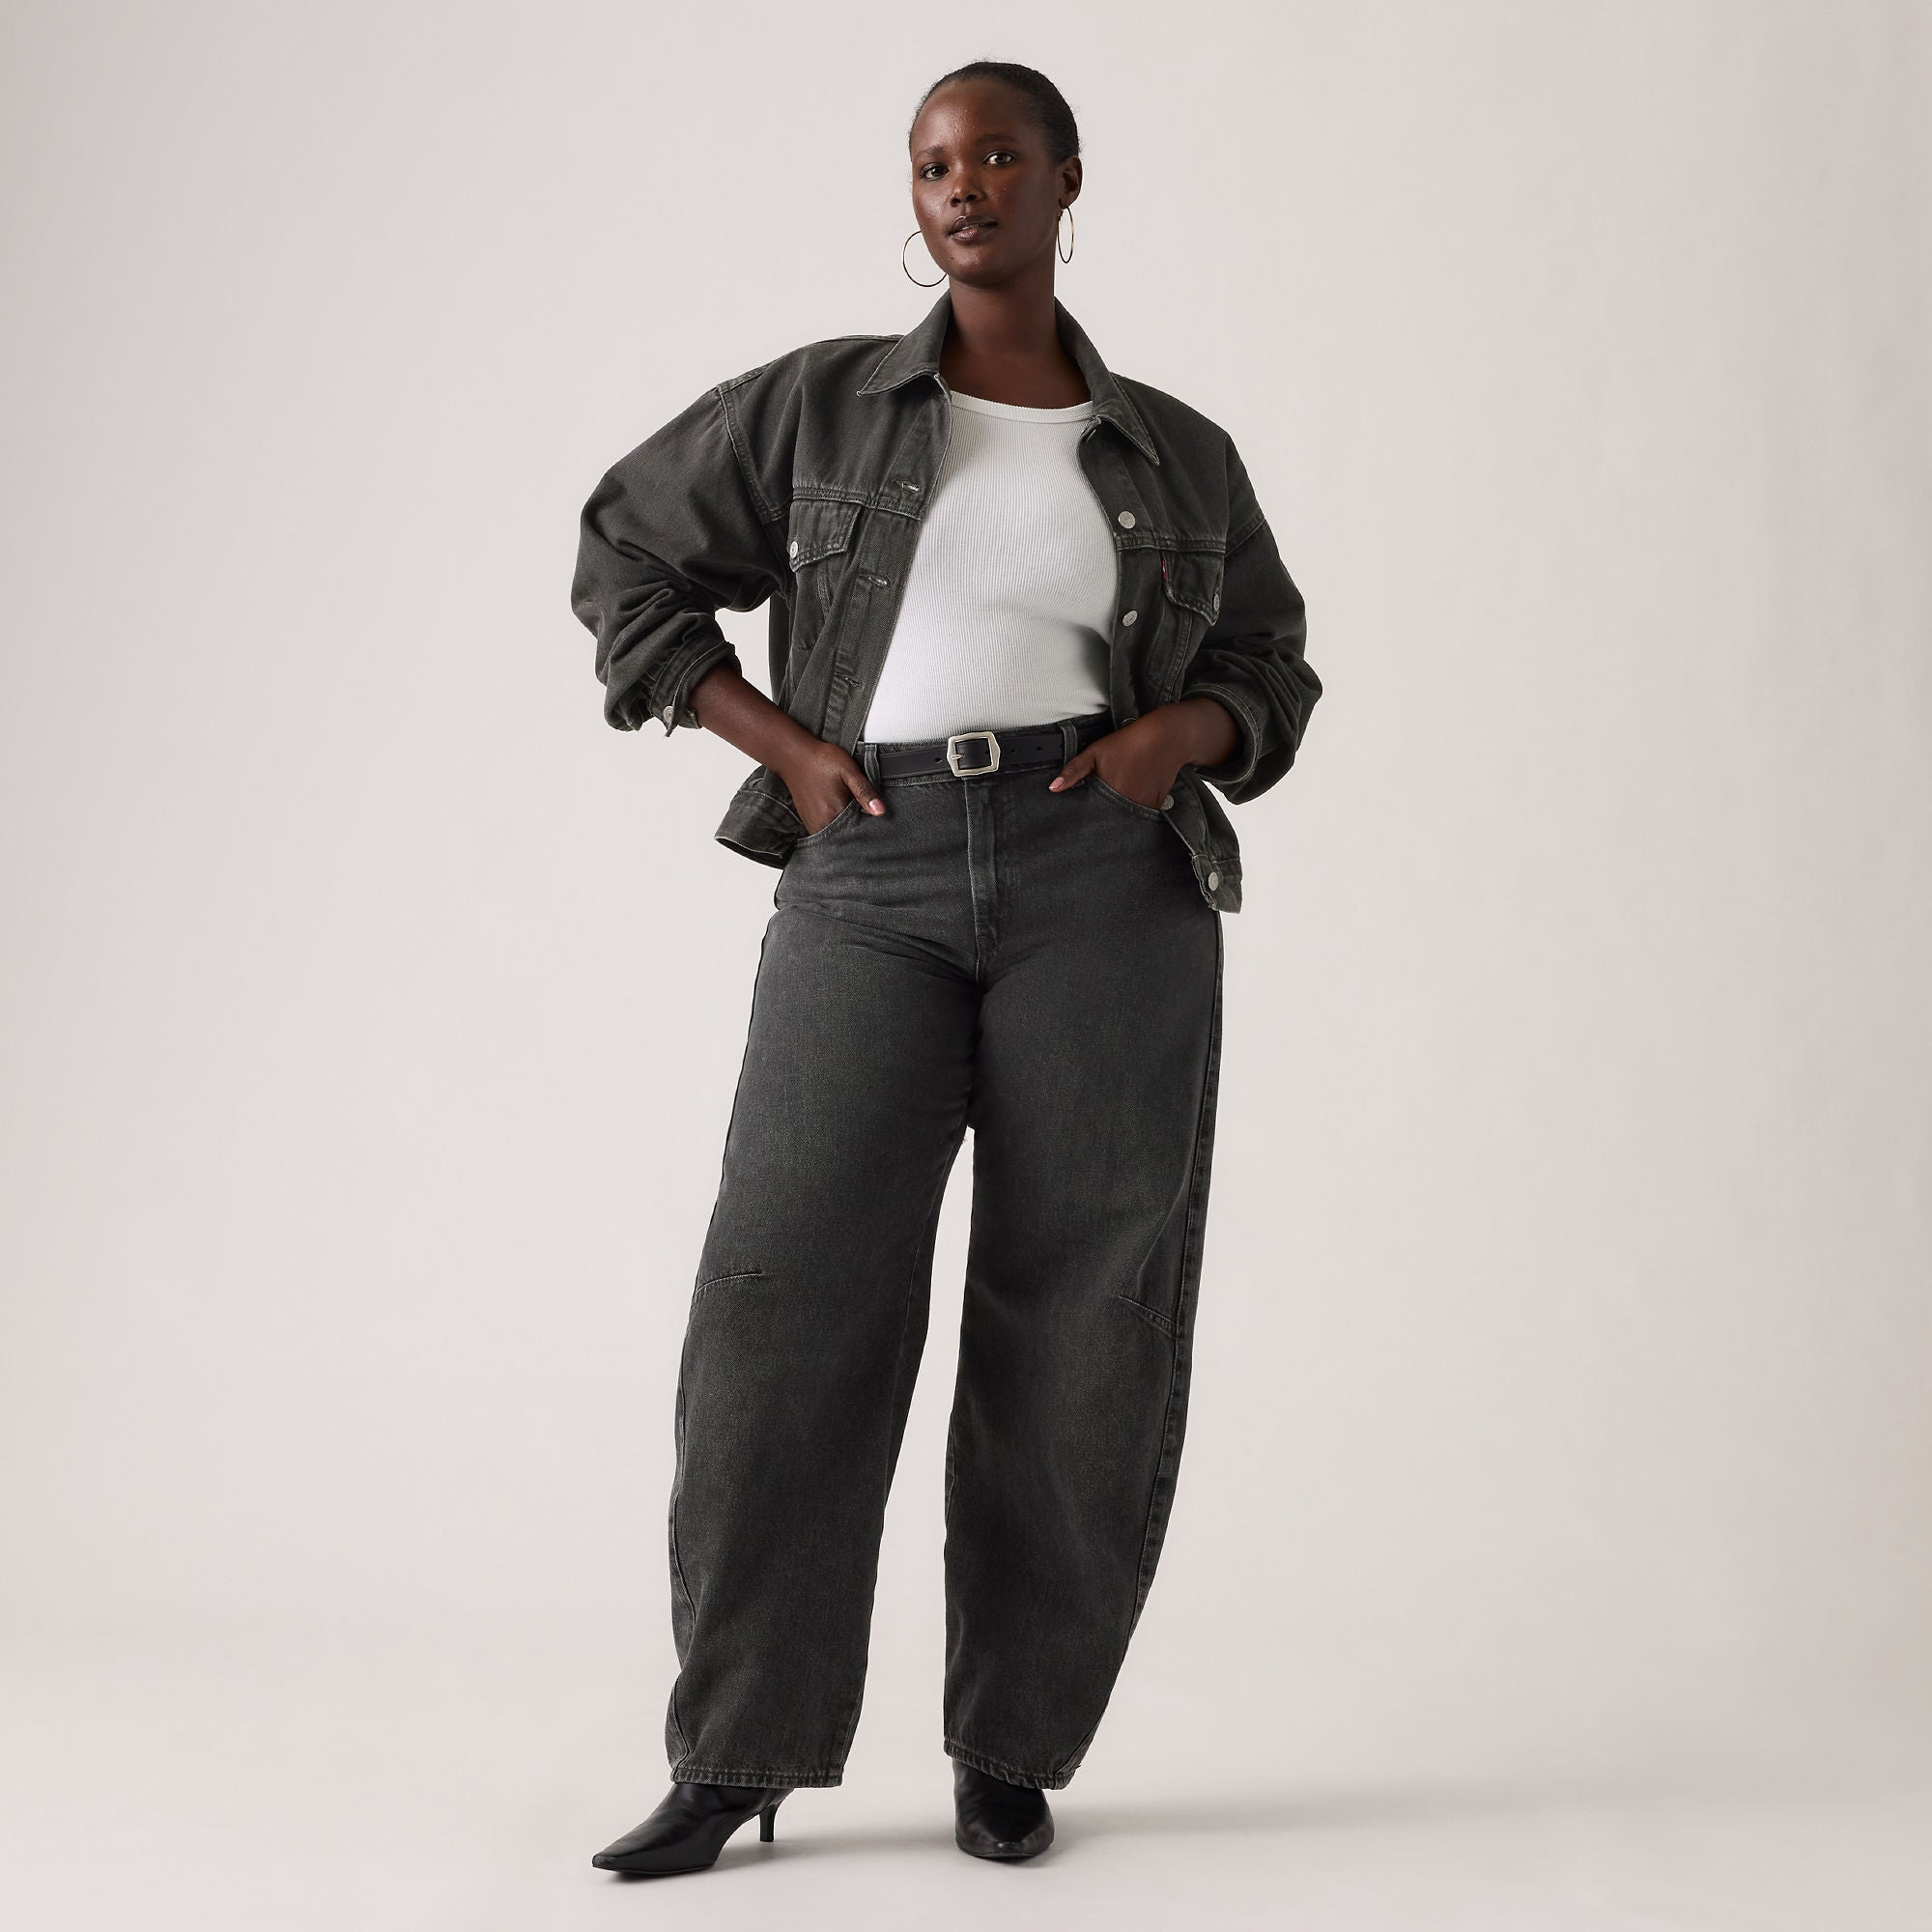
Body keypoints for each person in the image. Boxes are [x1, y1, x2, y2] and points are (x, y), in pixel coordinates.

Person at [569, 58, 1321, 1877]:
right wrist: (781, 745)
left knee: (1085, 1314)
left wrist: (1179, 737)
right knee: (782, 1294)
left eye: (995, 155)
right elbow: (628, 553)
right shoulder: (819, 406)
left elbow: (1274, 668)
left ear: (1066, 180)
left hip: (1105, 882)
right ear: (912, 201)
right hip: (869, 866)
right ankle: (739, 1749)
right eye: (931, 164)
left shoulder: (1178, 451)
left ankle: (1009, 1746)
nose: (963, 184)